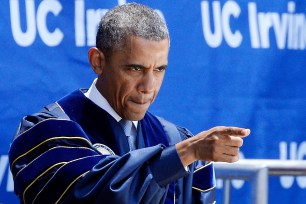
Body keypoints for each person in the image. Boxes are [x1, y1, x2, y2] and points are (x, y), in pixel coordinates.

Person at [9, 3, 250, 204]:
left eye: (159, 69)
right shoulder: (47, 133)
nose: (148, 86)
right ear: (98, 61)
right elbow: (87, 196)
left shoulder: (176, 139)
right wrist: (181, 156)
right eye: (135, 68)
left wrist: (185, 153)